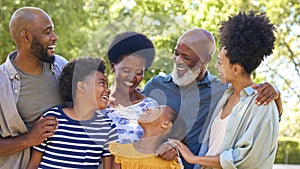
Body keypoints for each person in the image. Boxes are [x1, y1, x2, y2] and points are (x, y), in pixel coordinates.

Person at [143, 28, 282, 168]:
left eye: (187, 57)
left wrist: (276, 95)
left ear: (206, 59)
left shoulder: (221, 90)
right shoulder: (156, 85)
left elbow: (261, 125)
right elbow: (133, 124)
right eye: (176, 53)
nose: (178, 61)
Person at [0, 7, 67, 168]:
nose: (55, 37)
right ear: (26, 37)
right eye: (47, 32)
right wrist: (29, 138)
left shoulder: (61, 66)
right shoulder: (2, 83)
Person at [26, 57, 118, 169]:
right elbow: (33, 164)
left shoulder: (107, 127)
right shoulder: (52, 118)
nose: (108, 90)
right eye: (102, 84)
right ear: (81, 86)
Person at [101, 32, 158, 144]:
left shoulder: (150, 108)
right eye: (126, 70)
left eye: (138, 72)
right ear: (112, 67)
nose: (132, 78)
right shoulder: (95, 103)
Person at [109, 105, 185, 169]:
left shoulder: (169, 165)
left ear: (165, 124)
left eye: (158, 109)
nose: (147, 108)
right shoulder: (121, 151)